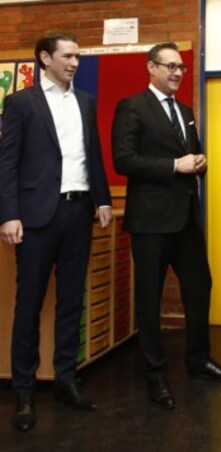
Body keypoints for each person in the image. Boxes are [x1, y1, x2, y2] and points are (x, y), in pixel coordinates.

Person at [112, 42, 221, 410]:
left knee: (200, 287)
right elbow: (124, 161)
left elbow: (192, 157)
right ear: (151, 68)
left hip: (185, 219)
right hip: (151, 222)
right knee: (150, 299)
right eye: (169, 66)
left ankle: (199, 361)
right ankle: (154, 374)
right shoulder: (132, 106)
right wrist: (175, 166)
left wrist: (200, 163)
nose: (177, 73)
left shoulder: (184, 111)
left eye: (181, 67)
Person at [0, 31, 112, 432]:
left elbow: (92, 153)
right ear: (45, 59)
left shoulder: (85, 101)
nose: (75, 63)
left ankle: (67, 380)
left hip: (78, 213)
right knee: (28, 305)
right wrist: (8, 214)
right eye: (68, 56)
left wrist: (102, 200)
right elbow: (7, 162)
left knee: (71, 302)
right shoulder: (20, 103)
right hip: (34, 218)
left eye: (78, 56)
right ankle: (25, 393)